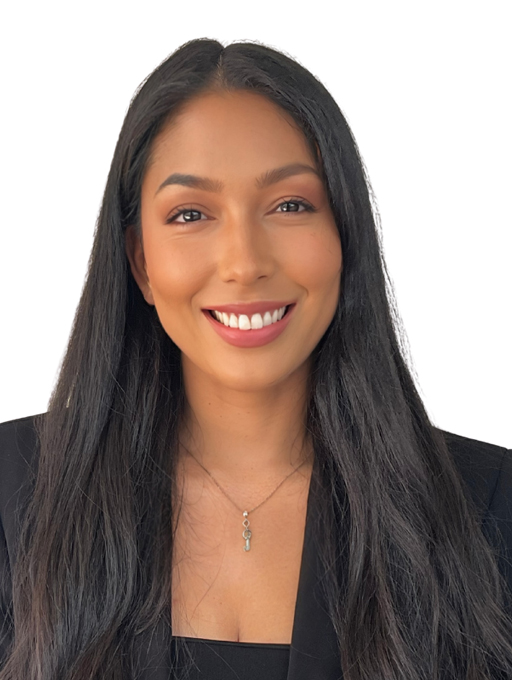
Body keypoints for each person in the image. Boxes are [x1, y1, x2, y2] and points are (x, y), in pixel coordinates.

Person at [0, 37, 511, 680]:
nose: (245, 263)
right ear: (141, 263)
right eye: (191, 214)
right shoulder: (14, 492)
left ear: (345, 235)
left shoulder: (488, 504)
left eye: (290, 205)